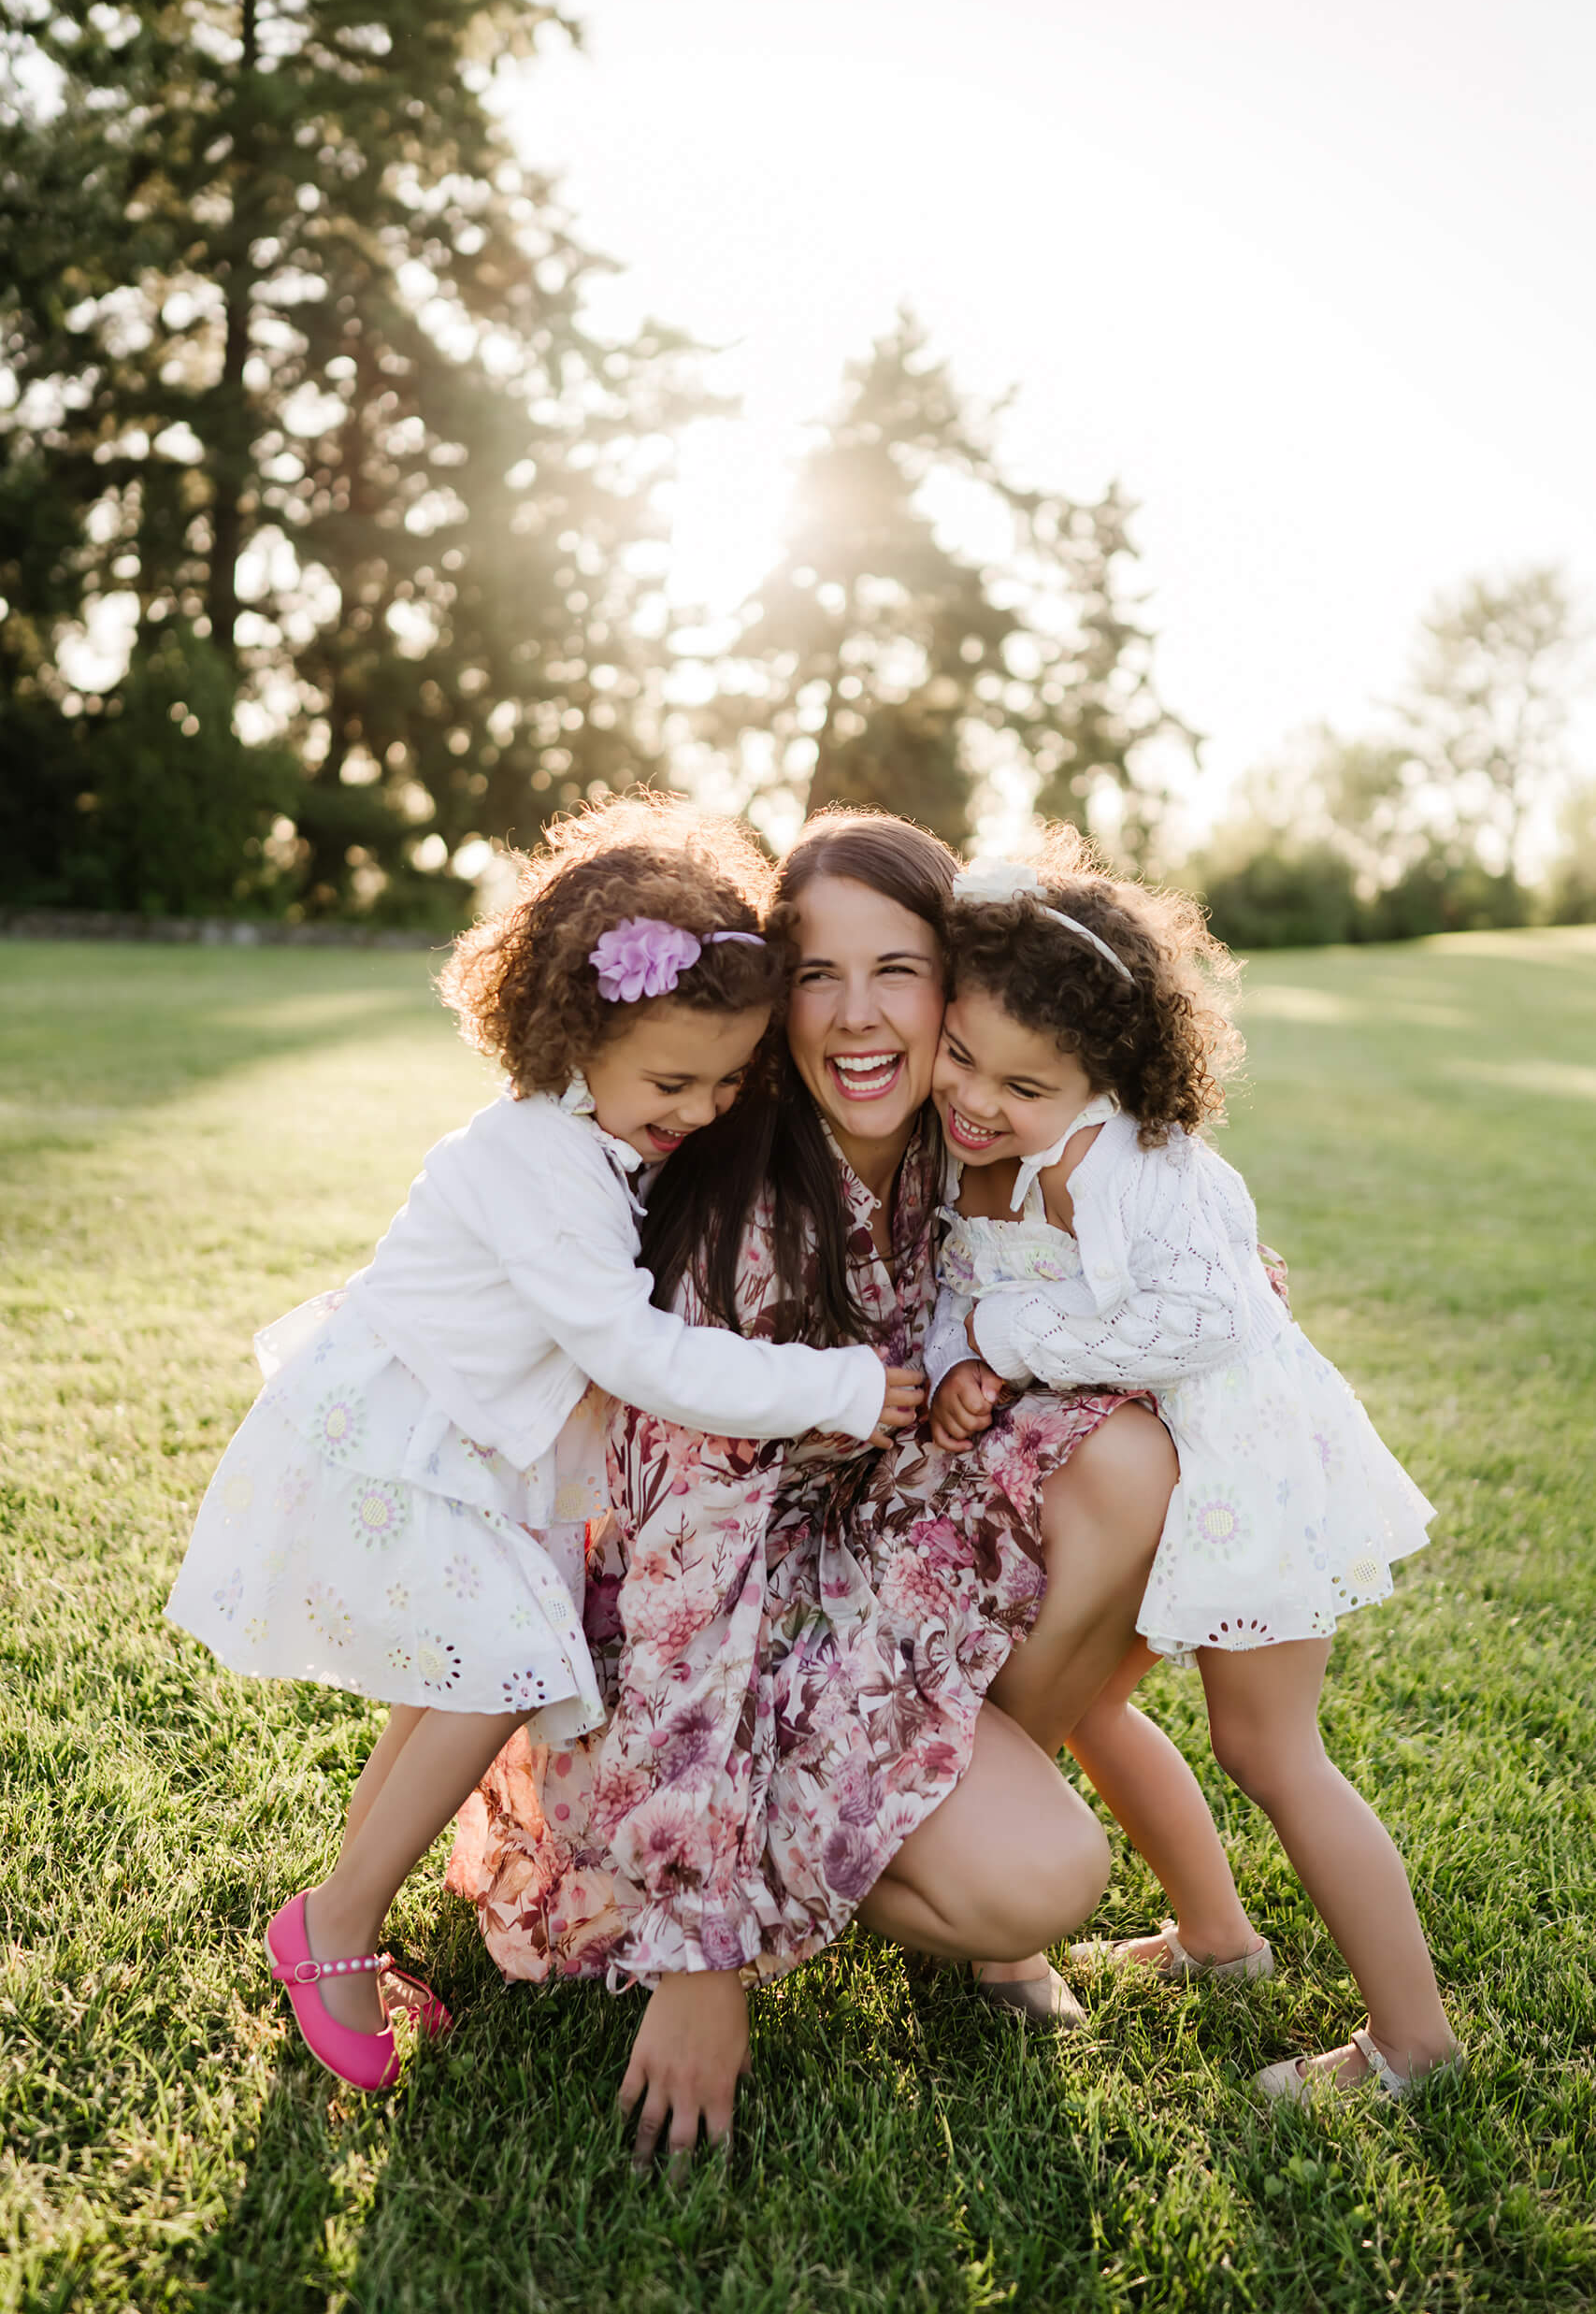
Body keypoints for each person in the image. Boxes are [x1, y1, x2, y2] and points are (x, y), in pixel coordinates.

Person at [451, 812, 1187, 2167]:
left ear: (953, 985)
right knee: (1046, 1882)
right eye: (817, 973)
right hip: (717, 1647)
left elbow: (1128, 1244)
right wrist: (701, 1959)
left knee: (1129, 1458)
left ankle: (918, 1825)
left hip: (872, 1586)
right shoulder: (741, 1211)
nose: (857, 1016)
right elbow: (692, 1583)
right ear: (774, 993)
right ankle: (780, 1878)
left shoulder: (964, 1147)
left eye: (897, 970)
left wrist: (1219, 1305)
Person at [166, 798, 923, 2092]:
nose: (703, 1108)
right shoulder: (536, 1158)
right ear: (579, 1036)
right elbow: (637, 1355)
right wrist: (836, 1385)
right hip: (408, 1442)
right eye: (674, 1083)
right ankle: (335, 1923)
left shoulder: (599, 1138)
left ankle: (344, 1914)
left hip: (474, 1449)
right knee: (499, 1667)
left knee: (465, 1672)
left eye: (730, 1078)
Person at [925, 836, 1462, 2101]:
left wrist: (1007, 1343)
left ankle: (1415, 2043)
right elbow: (967, 1289)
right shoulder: (1005, 1164)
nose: (981, 1099)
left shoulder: (1138, 1165)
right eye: (962, 1058)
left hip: (1249, 1480)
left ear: (1105, 1079)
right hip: (1182, 1485)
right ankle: (1219, 1945)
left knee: (1272, 1750)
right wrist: (965, 1349)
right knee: (1099, 1706)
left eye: (1026, 1083)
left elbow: (1206, 1321)